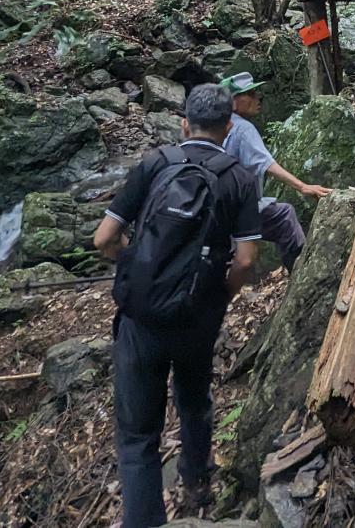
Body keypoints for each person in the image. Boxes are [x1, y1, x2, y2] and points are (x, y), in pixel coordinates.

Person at [93, 82, 260, 527]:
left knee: (137, 437)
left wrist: (134, 264)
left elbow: (104, 239)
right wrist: (223, 294)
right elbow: (245, 260)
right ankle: (195, 481)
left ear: (183, 123)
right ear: (228, 127)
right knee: (194, 400)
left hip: (140, 317)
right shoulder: (239, 177)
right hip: (197, 316)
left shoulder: (155, 163)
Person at [218, 71, 332, 271]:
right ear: (234, 102)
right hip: (238, 209)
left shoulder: (216, 126)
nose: (257, 98)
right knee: (284, 217)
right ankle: (300, 275)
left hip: (219, 207)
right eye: (250, 94)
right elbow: (266, 164)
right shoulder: (243, 129)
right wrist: (302, 186)